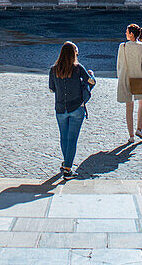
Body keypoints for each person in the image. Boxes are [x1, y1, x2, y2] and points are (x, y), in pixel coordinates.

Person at [48, 41, 95, 179]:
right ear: (73, 54)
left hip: (61, 108)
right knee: (72, 139)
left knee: (64, 136)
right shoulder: (78, 68)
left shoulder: (53, 69)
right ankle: (68, 169)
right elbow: (91, 82)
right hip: (76, 107)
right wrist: (91, 74)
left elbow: (51, 89)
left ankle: (65, 163)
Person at [116, 23, 142, 143]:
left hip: (126, 77)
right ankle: (139, 128)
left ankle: (131, 136)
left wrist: (120, 77)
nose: (125, 33)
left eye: (127, 32)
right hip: (140, 77)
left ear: (131, 34)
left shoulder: (123, 46)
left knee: (129, 106)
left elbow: (119, 65)